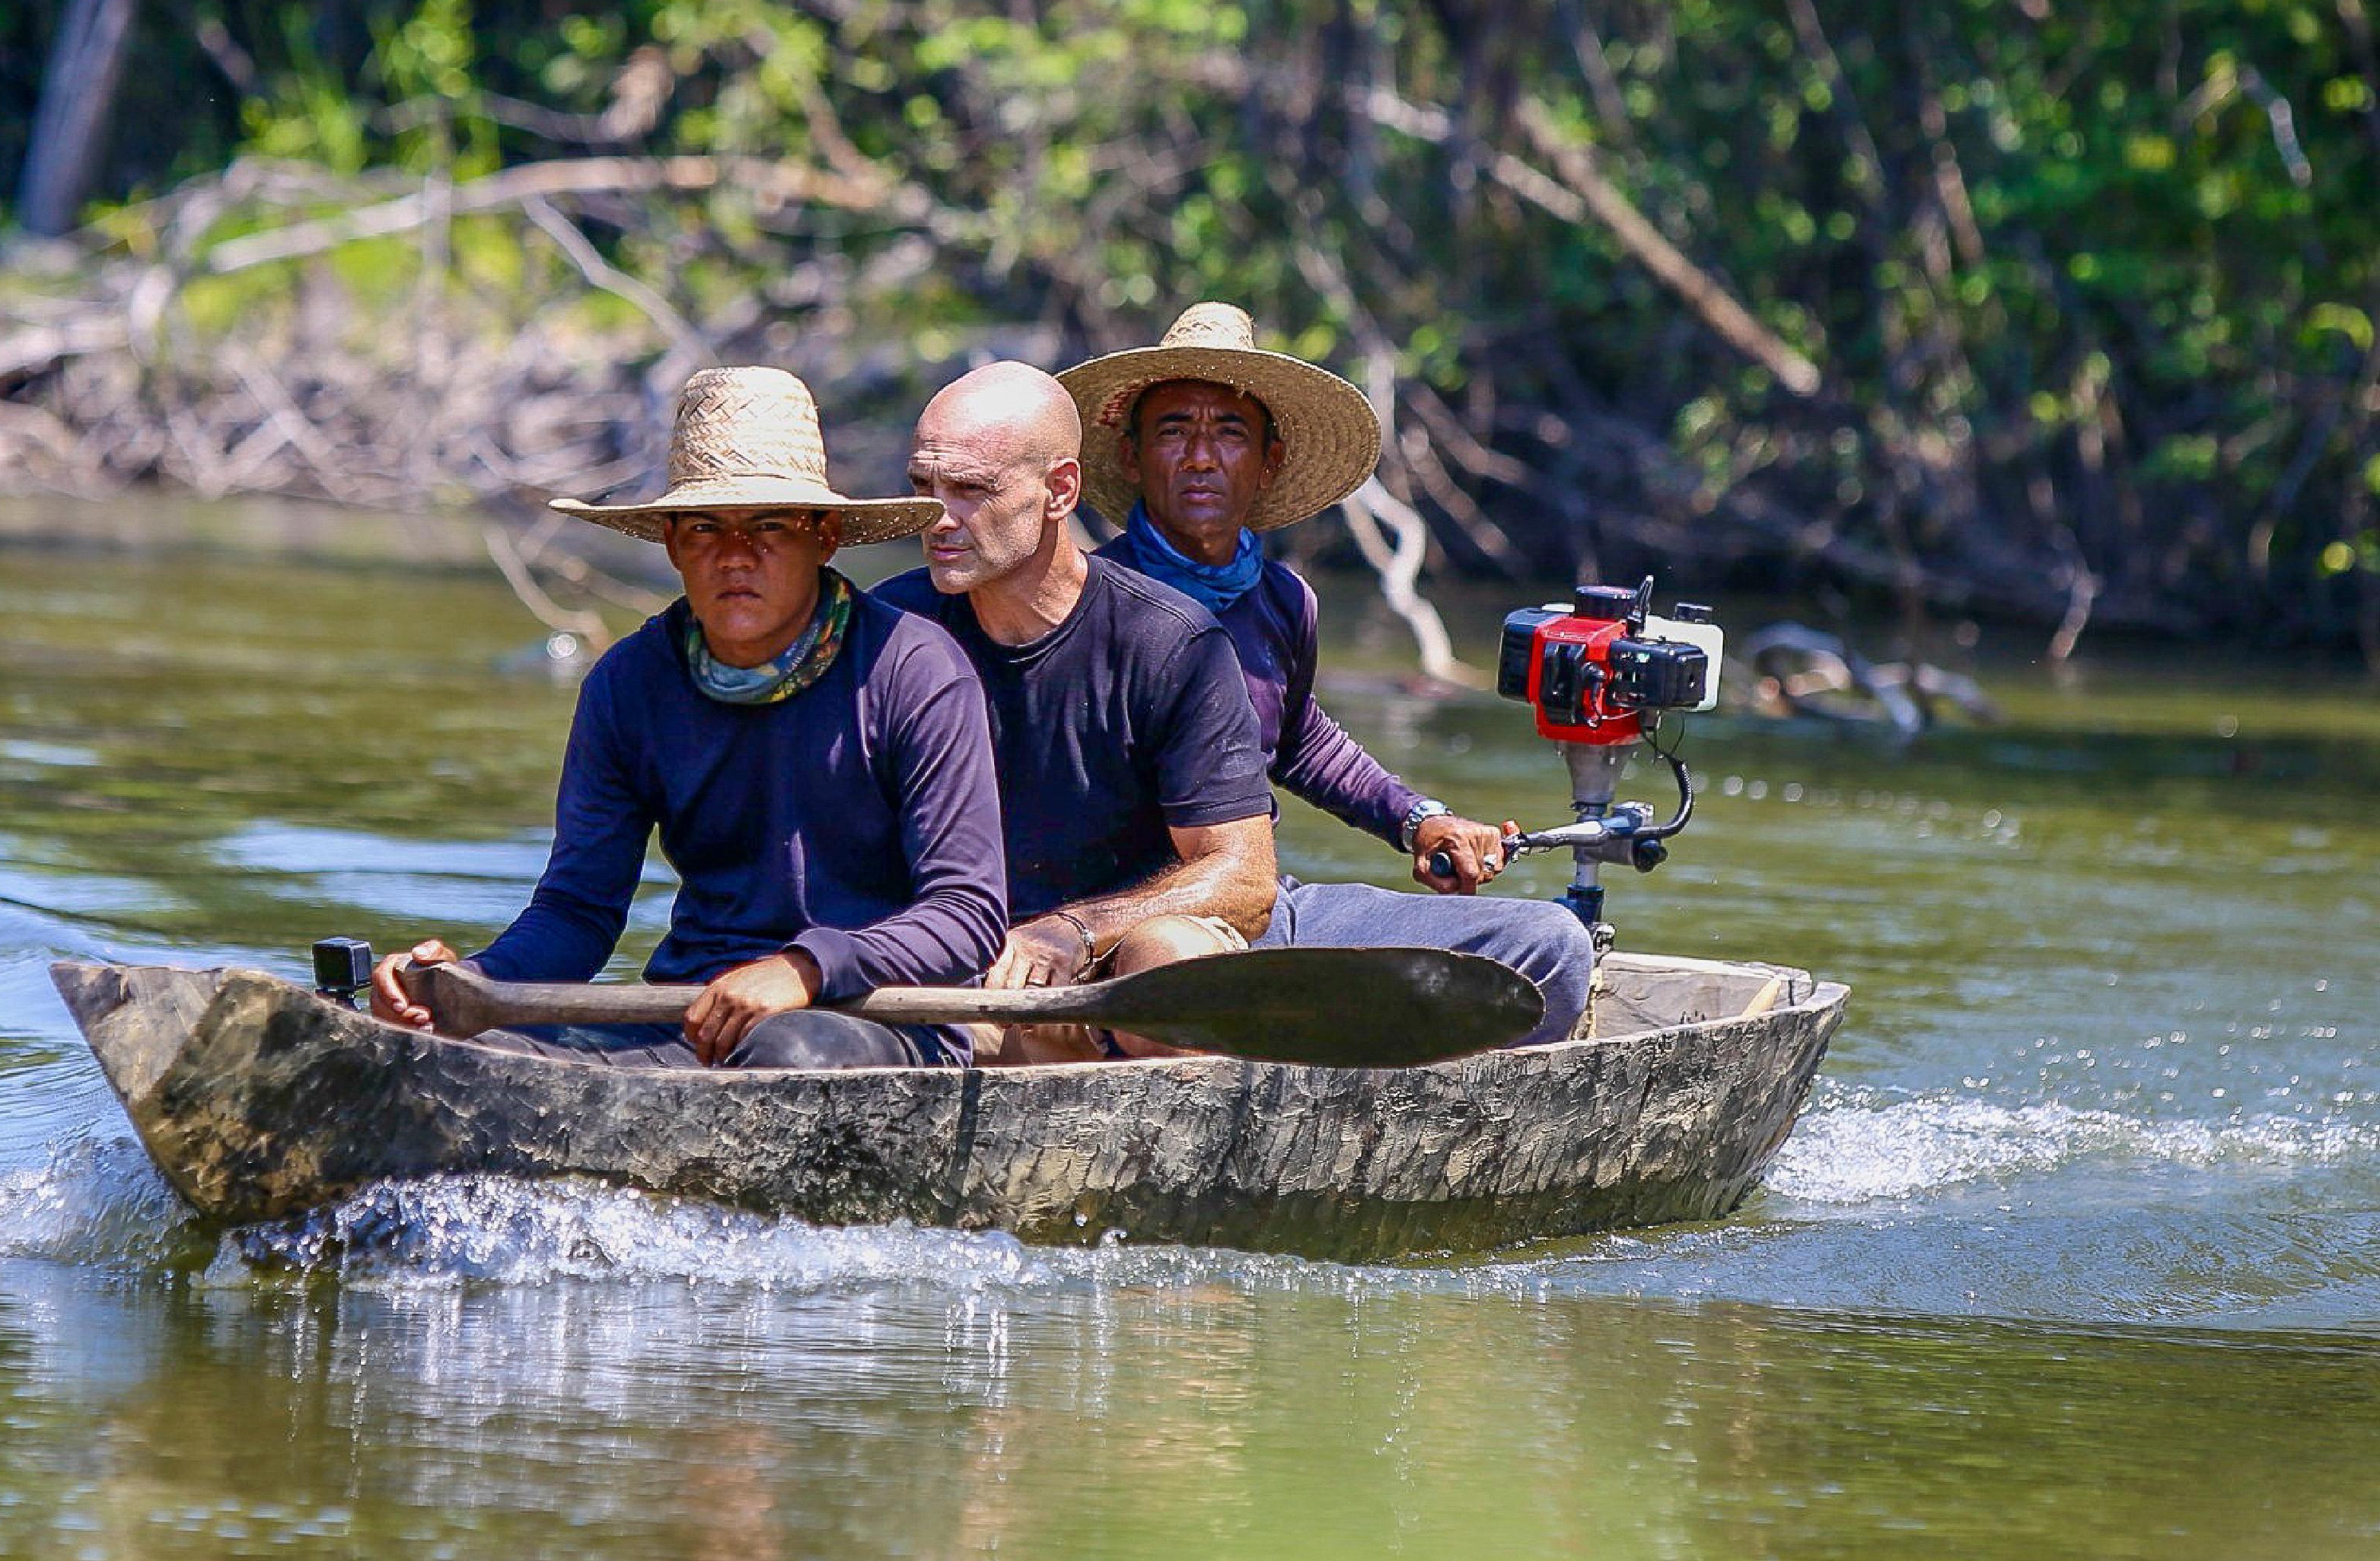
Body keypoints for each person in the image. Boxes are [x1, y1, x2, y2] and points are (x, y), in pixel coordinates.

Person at [369, 366, 1008, 1069]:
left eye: (770, 526)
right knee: (474, 1054)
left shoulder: (914, 668)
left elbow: (965, 916)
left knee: (790, 1057)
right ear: (673, 544)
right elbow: (579, 912)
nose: (736, 556)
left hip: (878, 1016)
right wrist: (471, 988)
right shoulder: (630, 683)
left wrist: (804, 970)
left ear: (825, 536)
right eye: (706, 529)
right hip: (691, 1014)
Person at [1059, 301, 1591, 1043]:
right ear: (1132, 457)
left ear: (1268, 462)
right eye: (1175, 431)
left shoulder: (1282, 601)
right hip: (1141, 928)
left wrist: (1417, 819)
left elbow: (1302, 741)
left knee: (1551, 949)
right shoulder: (1087, 606)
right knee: (1172, 977)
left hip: (1271, 913)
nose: (1202, 457)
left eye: (1230, 433)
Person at [873, 362, 1279, 1061]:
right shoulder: (887, 632)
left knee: (1170, 960)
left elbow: (1244, 877)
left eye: (971, 490)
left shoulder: (1169, 641)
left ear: (1060, 490)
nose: (938, 519)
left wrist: (1076, 931)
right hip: (968, 967)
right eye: (924, 489)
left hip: (1121, 954)